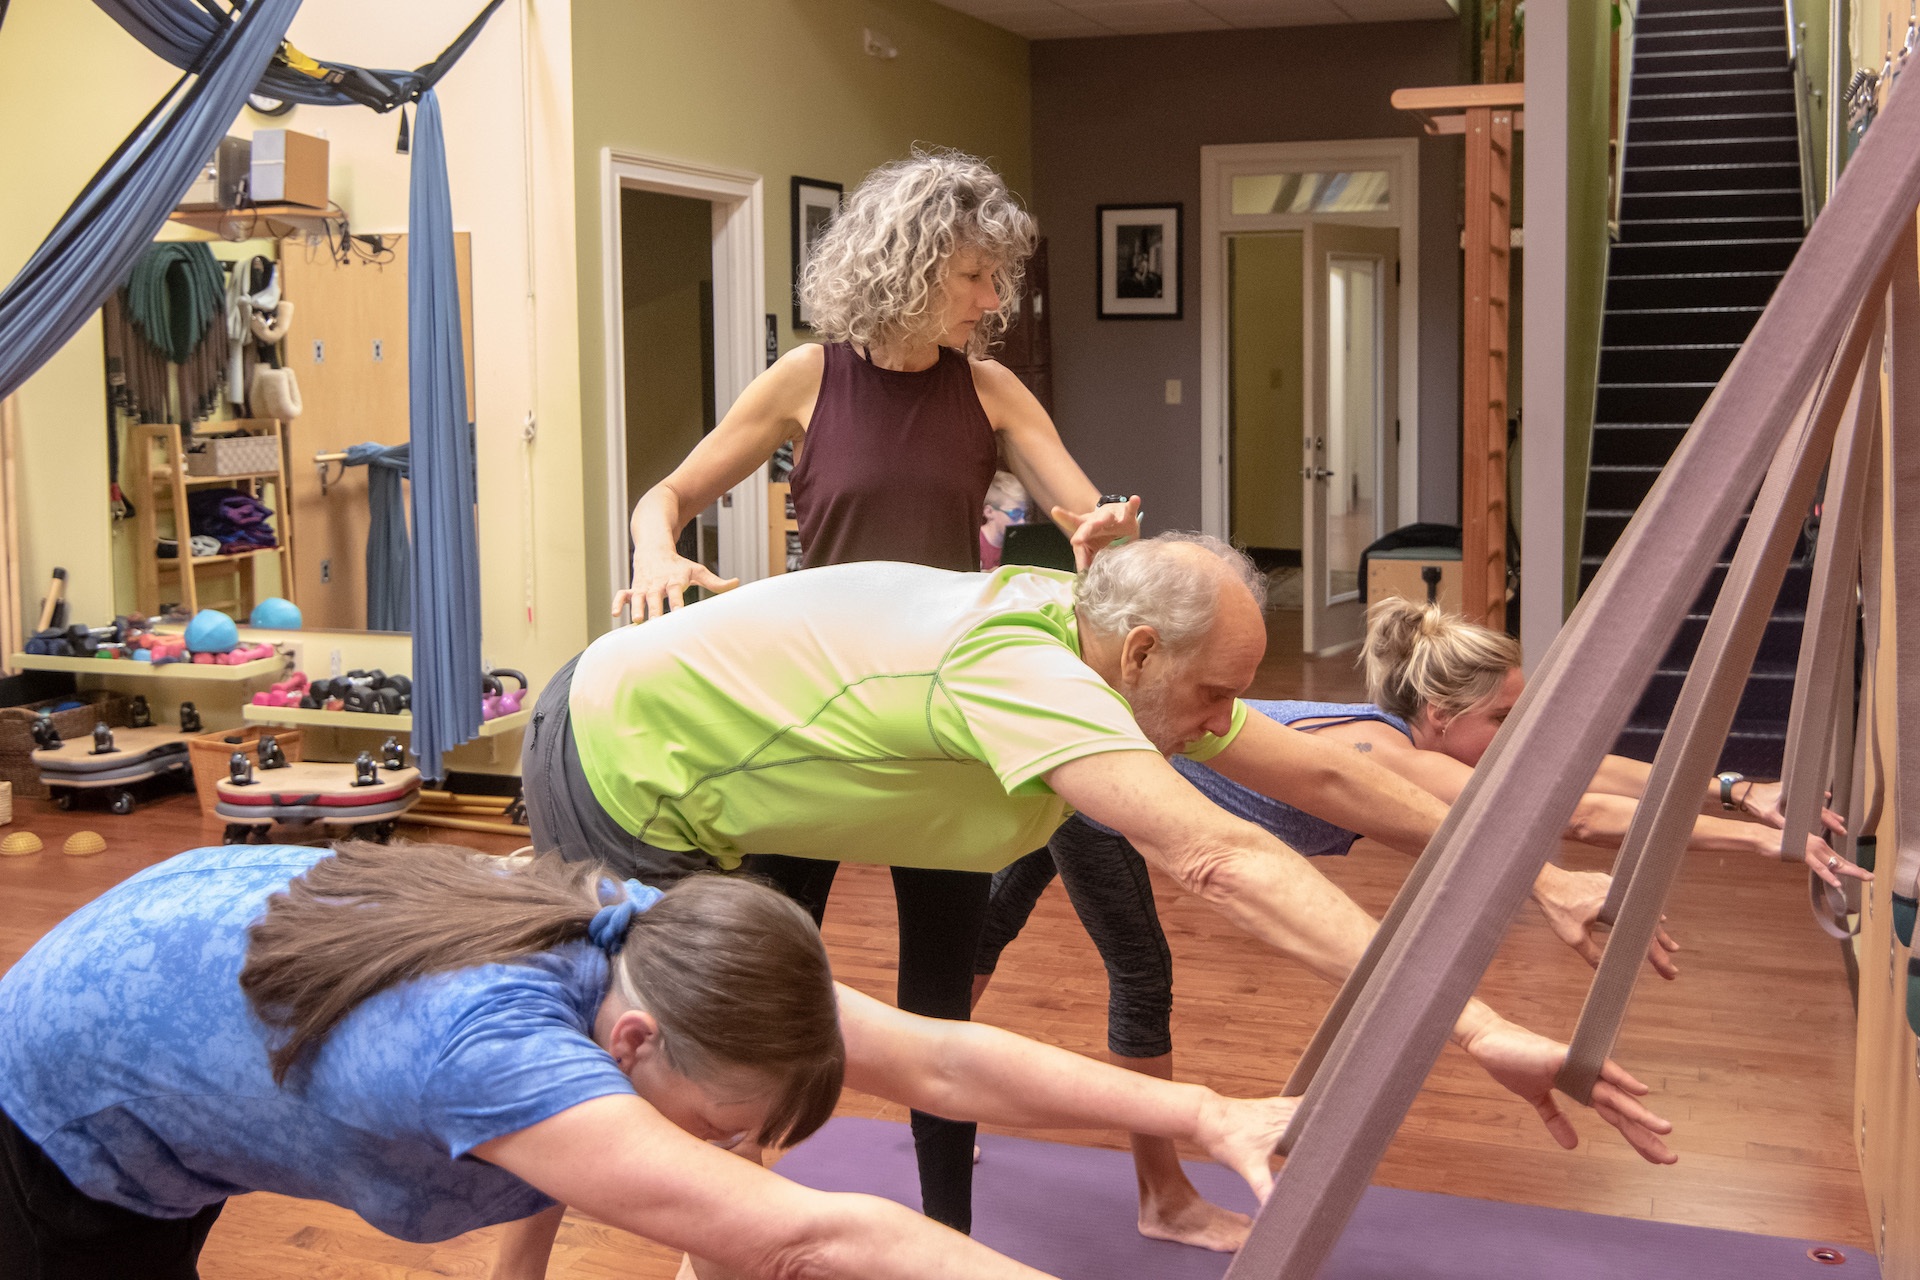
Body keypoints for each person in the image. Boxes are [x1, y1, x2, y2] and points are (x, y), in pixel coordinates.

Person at [523, 534, 1678, 1221]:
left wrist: (1535, 871)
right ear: (1138, 655)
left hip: (715, 758)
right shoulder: (1029, 670)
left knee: (746, 1079)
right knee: (689, 1081)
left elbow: (1328, 775)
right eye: (1217, 692)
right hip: (620, 754)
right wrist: (1474, 1026)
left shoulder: (1096, 645)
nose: (1230, 720)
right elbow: (1219, 855)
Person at [604, 148, 1142, 1238]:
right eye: (975, 276)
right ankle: (725, 1215)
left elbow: (1092, 521)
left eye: (997, 278)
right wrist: (656, 552)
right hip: (808, 713)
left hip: (937, 715)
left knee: (937, 993)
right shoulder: (808, 378)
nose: (994, 301)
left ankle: (948, 1232)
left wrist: (1101, 539)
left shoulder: (990, 390)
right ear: (911, 263)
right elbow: (666, 491)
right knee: (757, 980)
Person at [971, 593, 1863, 1248]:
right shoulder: (1390, 757)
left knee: (985, 931)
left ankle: (946, 1098)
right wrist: (1768, 844)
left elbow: (1580, 768)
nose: (1519, 733)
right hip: (1111, 791)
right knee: (1138, 973)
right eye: (1502, 718)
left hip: (1114, 769)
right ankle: (1160, 1197)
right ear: (1438, 716)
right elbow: (1580, 814)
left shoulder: (1417, 739)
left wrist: (1742, 792)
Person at [0, 840, 1302, 1280]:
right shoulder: (488, 1050)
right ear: (632, 1043)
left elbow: (946, 1066)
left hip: (172, 970)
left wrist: (1209, 1109)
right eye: (727, 1125)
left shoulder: (654, 945)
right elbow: (815, 1239)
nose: (735, 1154)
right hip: (52, 1113)